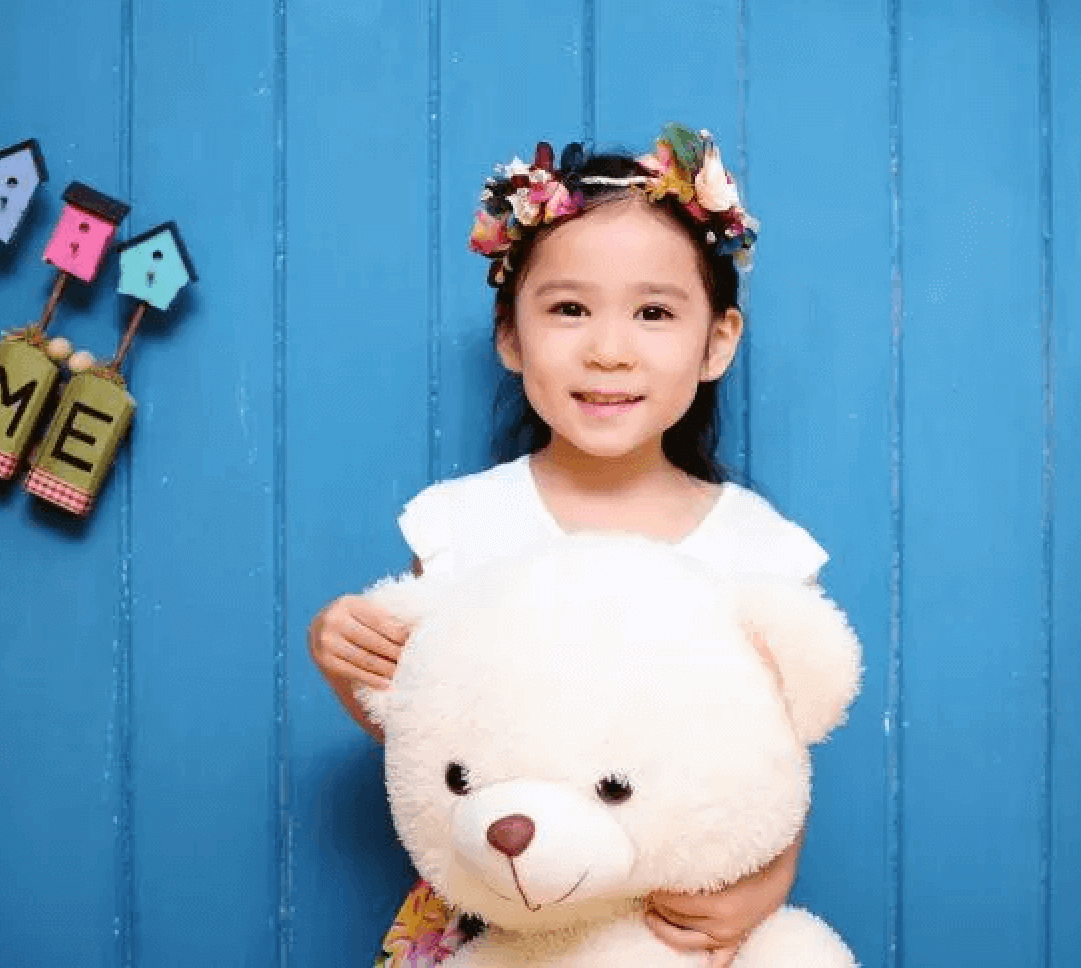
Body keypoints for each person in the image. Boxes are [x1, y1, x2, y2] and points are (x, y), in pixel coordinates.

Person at [308, 124, 830, 968]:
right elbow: (432, 734)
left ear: (717, 341)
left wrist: (766, 883)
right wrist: (346, 660)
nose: (609, 351)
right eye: (569, 309)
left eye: (654, 313)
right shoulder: (463, 526)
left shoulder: (756, 552)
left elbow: (773, 763)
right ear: (511, 335)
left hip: (671, 931)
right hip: (493, 923)